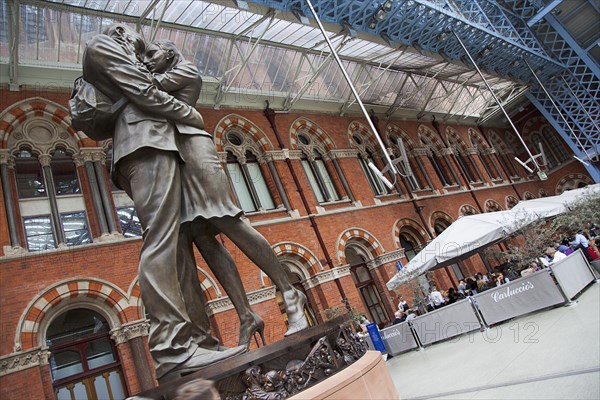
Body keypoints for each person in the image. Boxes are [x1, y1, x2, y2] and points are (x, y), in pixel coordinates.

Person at [82, 24, 245, 382]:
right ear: (124, 33)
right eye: (141, 44)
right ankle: (173, 349)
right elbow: (142, 91)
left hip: (155, 143)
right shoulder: (103, 46)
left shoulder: (123, 55)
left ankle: (198, 341)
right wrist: (191, 116)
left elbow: (140, 87)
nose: (144, 50)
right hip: (144, 145)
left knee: (173, 246)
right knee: (161, 242)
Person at [143, 40, 309, 347]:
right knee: (200, 237)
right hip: (173, 158)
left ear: (169, 53)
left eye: (151, 54)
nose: (147, 61)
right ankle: (246, 315)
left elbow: (146, 89)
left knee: (227, 218)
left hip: (194, 149)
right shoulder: (163, 73)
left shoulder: (184, 70)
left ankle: (288, 289)